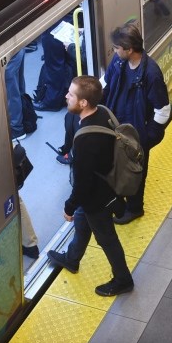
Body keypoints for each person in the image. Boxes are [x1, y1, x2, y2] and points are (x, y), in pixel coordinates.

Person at [47, 76, 134, 297]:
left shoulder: (87, 141)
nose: (66, 96)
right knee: (82, 222)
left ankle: (123, 279)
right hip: (101, 190)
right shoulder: (102, 112)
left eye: (71, 94)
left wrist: (68, 206)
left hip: (97, 197)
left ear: (83, 103)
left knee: (107, 238)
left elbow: (82, 183)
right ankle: (72, 259)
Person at [103, 23, 170, 225]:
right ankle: (121, 201)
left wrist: (146, 139)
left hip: (136, 135)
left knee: (135, 172)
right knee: (117, 168)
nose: (114, 51)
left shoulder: (151, 73)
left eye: (117, 48)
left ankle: (134, 208)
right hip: (116, 127)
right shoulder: (118, 61)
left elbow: (162, 110)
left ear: (129, 49)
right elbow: (107, 83)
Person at [4, 50, 27, 141]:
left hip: (6, 52)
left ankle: (17, 129)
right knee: (18, 85)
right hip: (16, 46)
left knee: (11, 92)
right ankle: (25, 117)